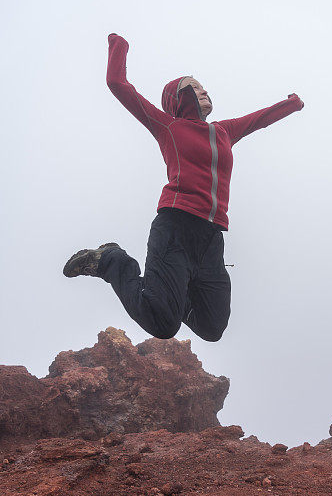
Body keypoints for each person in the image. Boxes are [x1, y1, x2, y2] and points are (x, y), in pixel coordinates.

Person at [63, 33, 304, 342]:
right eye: (195, 86)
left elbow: (260, 120)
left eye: (204, 87)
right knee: (163, 325)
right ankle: (110, 260)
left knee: (212, 327)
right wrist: (119, 45)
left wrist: (292, 105)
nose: (204, 91)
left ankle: (174, 290)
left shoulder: (224, 132)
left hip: (210, 239)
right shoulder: (168, 126)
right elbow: (117, 84)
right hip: (175, 227)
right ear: (178, 96)